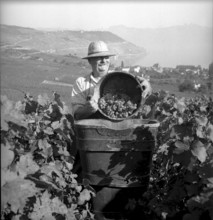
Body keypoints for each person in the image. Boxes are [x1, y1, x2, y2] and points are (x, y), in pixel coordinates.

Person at [71, 41, 152, 120]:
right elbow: (76, 115)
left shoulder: (120, 78)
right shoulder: (81, 83)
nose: (103, 60)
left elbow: (143, 91)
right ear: (90, 60)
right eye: (99, 57)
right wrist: (87, 109)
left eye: (106, 57)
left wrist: (148, 86)